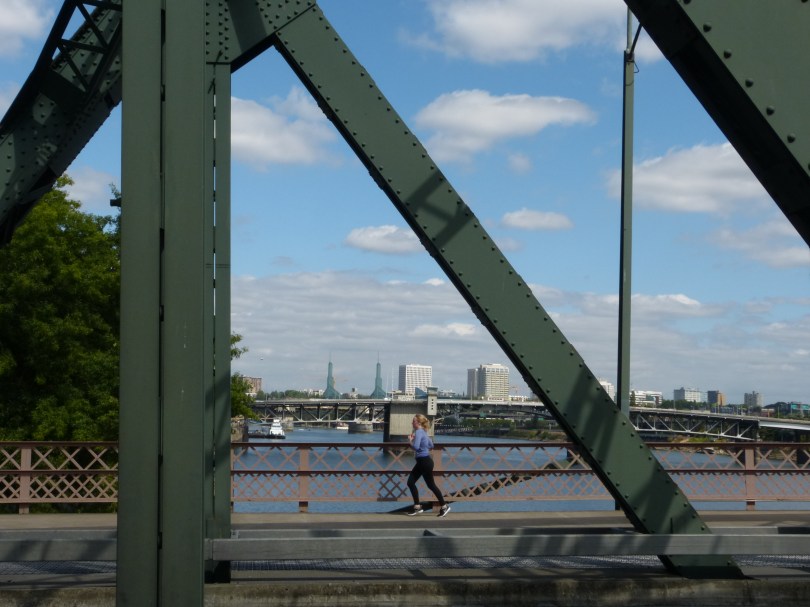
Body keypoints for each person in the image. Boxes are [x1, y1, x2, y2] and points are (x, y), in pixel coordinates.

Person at [406, 414, 450, 517]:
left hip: (423, 462)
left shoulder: (418, 432)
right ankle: (443, 506)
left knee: (411, 483)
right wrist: (423, 448)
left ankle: (418, 507)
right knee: (431, 485)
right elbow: (431, 445)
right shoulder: (424, 432)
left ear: (418, 423)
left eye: (413, 421)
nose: (412, 423)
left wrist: (410, 441)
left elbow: (416, 447)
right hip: (426, 461)